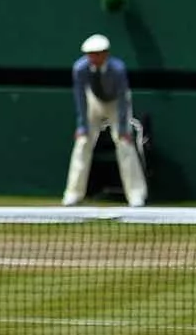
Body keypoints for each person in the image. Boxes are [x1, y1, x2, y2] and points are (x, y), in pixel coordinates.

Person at [62, 33, 145, 207]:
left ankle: (136, 194)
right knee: (83, 142)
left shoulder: (118, 69)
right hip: (94, 101)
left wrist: (123, 129)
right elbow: (80, 97)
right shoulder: (80, 68)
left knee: (124, 144)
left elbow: (123, 99)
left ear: (106, 53)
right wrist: (82, 126)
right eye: (90, 54)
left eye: (97, 53)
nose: (93, 57)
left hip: (116, 104)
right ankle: (73, 194)